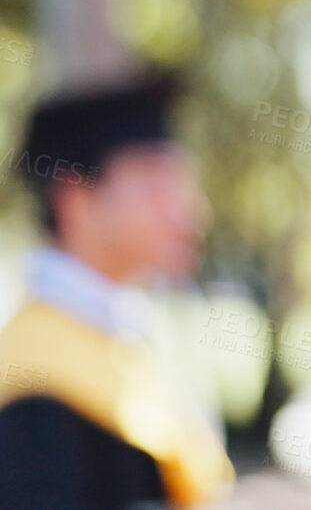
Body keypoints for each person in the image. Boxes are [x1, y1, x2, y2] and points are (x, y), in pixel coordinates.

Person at [0, 72, 235, 509]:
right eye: (156, 183)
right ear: (75, 197)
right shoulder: (32, 392)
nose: (191, 210)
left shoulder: (124, 343)